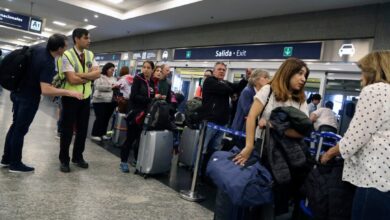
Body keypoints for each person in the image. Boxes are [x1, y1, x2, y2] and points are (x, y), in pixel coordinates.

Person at [321, 51, 390, 220]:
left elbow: (355, 137)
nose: (360, 78)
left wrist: (328, 154)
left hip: (374, 176)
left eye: (362, 72)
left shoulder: (374, 90)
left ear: (373, 71)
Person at [0, 34, 83, 173]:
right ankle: (15, 163)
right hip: (28, 98)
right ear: (59, 48)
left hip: (17, 93)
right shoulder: (48, 62)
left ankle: (6, 159)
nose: (67, 48)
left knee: (15, 127)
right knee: (20, 130)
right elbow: (46, 90)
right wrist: (70, 93)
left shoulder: (37, 49)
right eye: (65, 46)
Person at [58, 28, 100, 173]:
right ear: (76, 38)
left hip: (85, 97)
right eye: (86, 38)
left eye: (89, 38)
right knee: (67, 130)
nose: (89, 40)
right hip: (70, 97)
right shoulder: (67, 55)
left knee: (82, 130)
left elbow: (97, 74)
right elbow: (71, 79)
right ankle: (64, 160)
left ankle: (78, 157)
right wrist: (88, 75)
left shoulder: (90, 54)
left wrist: (80, 75)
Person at [120, 61, 155, 173]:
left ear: (152, 70)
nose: (145, 69)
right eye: (144, 67)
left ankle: (136, 159)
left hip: (145, 114)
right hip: (135, 114)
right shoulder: (138, 79)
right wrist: (150, 99)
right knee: (130, 138)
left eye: (148, 68)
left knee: (140, 140)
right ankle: (123, 161)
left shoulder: (152, 82)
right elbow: (134, 96)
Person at [231, 69, 270, 133]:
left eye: (268, 78)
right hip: (241, 128)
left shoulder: (261, 92)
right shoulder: (247, 91)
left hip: (251, 127)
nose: (268, 80)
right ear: (256, 79)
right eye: (265, 77)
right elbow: (248, 111)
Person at [91, 62, 117, 141]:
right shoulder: (99, 76)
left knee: (106, 118)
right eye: (111, 70)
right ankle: (95, 134)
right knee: (100, 117)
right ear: (106, 69)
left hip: (110, 101)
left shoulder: (114, 78)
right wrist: (111, 87)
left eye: (113, 70)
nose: (112, 71)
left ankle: (102, 133)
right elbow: (97, 86)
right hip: (99, 100)